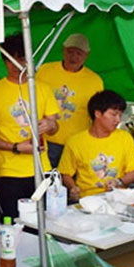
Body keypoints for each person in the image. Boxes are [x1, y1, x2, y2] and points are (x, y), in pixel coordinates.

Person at [0, 35, 60, 218]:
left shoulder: (43, 89)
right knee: (15, 223)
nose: (17, 65)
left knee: (46, 221)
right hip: (9, 172)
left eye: (22, 59)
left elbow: (55, 128)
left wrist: (50, 124)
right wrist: (16, 147)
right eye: (11, 60)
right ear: (5, 61)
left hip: (42, 168)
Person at [59, 90, 134, 200]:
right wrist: (73, 188)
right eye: (113, 114)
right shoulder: (75, 142)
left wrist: (119, 181)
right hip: (87, 200)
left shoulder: (125, 138)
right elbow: (66, 174)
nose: (118, 120)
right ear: (97, 113)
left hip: (117, 198)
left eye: (120, 115)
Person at [36, 33, 103, 168]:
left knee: (71, 185)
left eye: (79, 53)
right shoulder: (44, 71)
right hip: (47, 141)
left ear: (87, 55)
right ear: (63, 50)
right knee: (45, 182)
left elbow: (97, 115)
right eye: (70, 52)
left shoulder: (95, 81)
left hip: (77, 143)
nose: (74, 57)